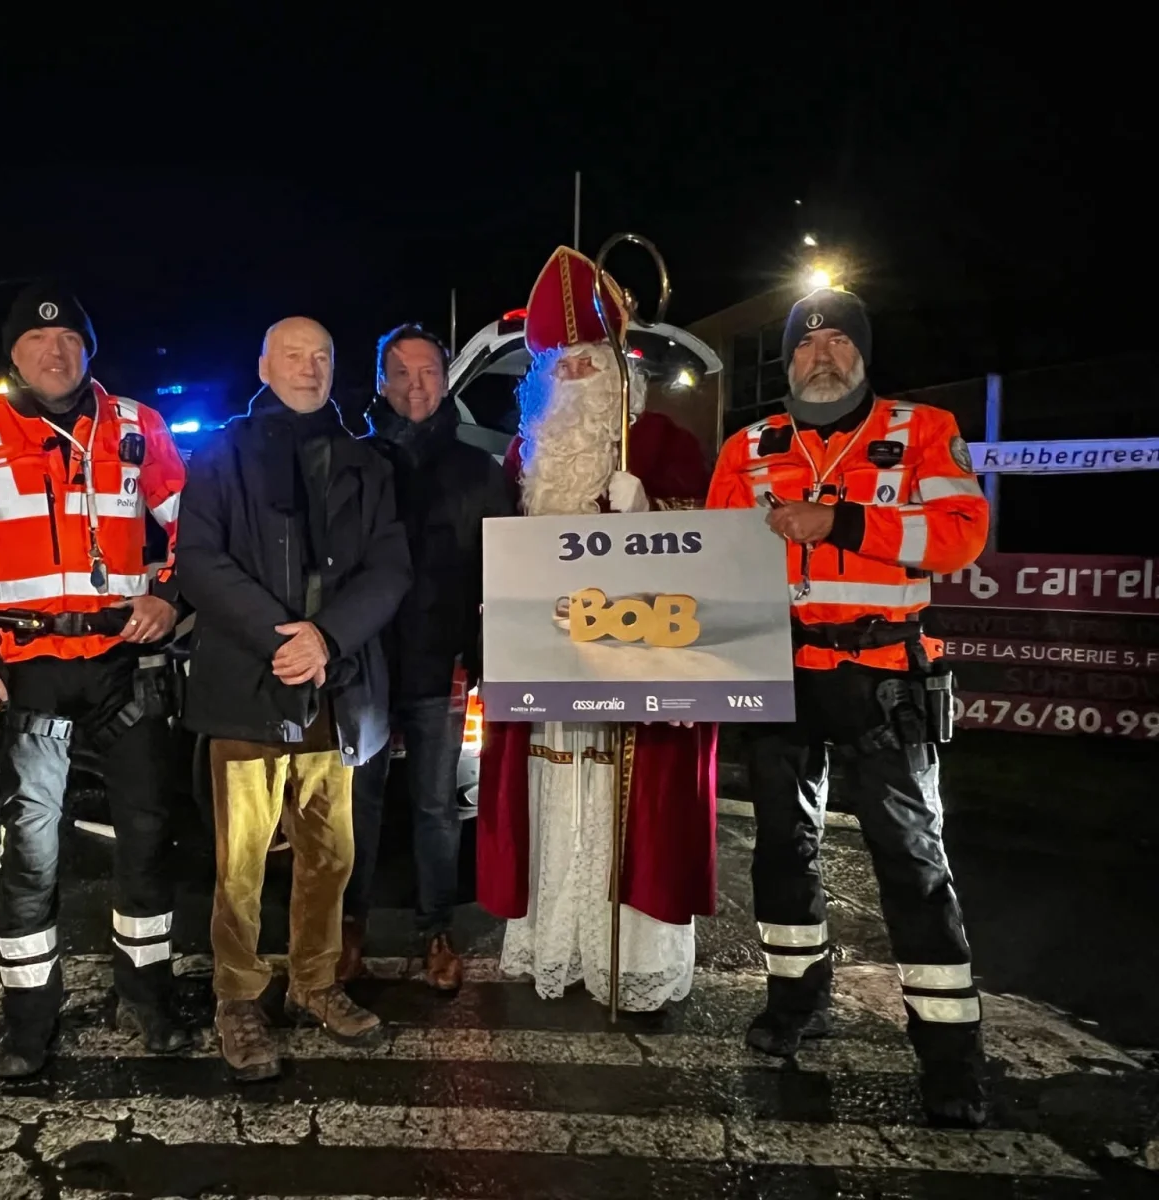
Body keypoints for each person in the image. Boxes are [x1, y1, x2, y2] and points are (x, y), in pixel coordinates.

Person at [0, 281, 191, 1077]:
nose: (55, 354)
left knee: (151, 834)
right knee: (29, 846)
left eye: (70, 343)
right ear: (13, 353)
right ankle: (28, 1017)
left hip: (124, 664)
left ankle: (147, 995)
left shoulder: (138, 425)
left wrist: (170, 592)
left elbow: (197, 523)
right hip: (26, 672)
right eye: (37, 342)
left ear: (88, 353)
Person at [706, 287, 991, 1126]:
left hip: (882, 676)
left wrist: (840, 519)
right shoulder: (749, 444)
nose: (820, 353)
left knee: (911, 863)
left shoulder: (921, 431)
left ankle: (950, 1059)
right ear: (788, 359)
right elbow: (717, 552)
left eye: (837, 342)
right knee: (780, 852)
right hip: (779, 670)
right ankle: (795, 1001)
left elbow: (961, 534)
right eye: (805, 343)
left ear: (862, 355)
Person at [476, 247, 719, 1011]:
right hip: (549, 675)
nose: (576, 378)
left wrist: (653, 516)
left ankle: (630, 959)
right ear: (541, 382)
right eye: (561, 368)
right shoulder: (523, 455)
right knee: (555, 791)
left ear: (618, 369)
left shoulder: (666, 447)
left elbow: (714, 567)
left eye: (588, 361)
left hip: (636, 669)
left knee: (631, 804)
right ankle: (558, 943)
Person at [176, 316, 411, 1082]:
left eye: (321, 357)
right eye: (292, 355)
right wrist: (283, 638)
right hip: (249, 685)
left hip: (335, 688)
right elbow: (199, 563)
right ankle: (238, 997)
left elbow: (389, 568)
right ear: (264, 363)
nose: (309, 369)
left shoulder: (365, 462)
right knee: (240, 861)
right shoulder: (219, 453)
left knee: (330, 854)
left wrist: (327, 639)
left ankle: (314, 982)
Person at [340, 324, 513, 991]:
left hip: (442, 663)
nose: (418, 385)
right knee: (361, 804)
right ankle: (350, 926)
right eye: (403, 373)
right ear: (382, 381)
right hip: (364, 665)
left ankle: (435, 928)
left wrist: (483, 659)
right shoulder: (354, 461)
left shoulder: (478, 469)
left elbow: (497, 575)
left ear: (446, 381)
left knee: (438, 808)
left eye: (430, 373)